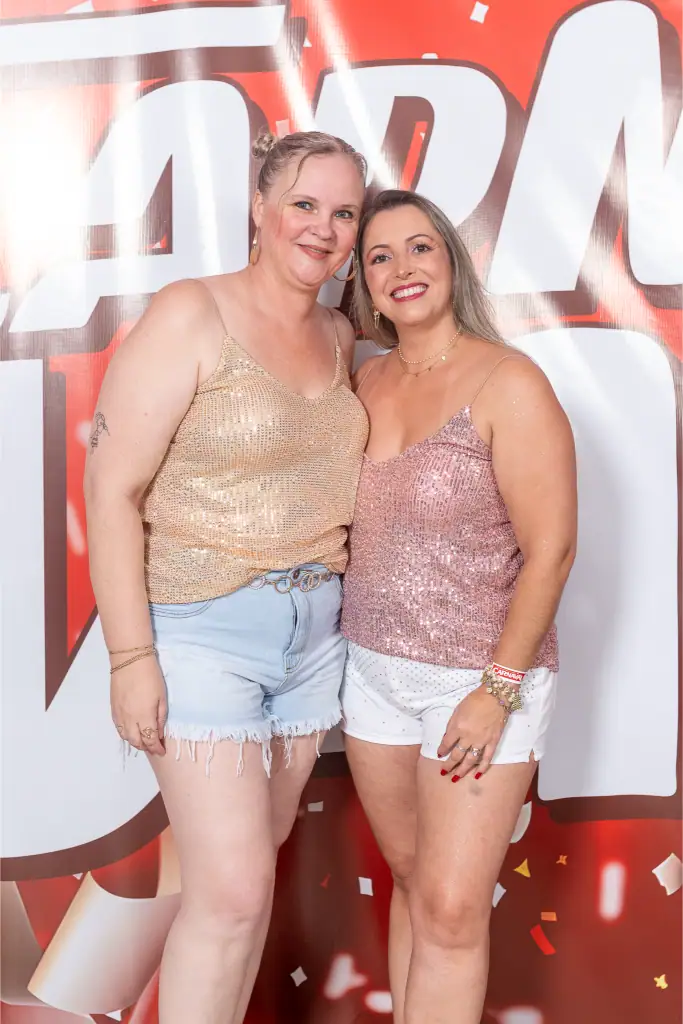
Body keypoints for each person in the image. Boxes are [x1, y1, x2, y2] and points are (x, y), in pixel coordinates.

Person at [84, 130, 368, 1024]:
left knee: (247, 890)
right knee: (233, 895)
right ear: (259, 206)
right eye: (304, 204)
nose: (323, 228)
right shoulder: (191, 313)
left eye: (344, 213)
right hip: (201, 632)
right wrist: (131, 657)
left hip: (314, 642)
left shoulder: (339, 333)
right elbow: (112, 490)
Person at [339, 189, 577, 1024]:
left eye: (419, 247)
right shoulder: (364, 380)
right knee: (411, 882)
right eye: (379, 256)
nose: (401, 268)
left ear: (451, 261)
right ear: (366, 286)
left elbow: (551, 550)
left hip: (478, 682)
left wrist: (496, 690)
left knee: (448, 908)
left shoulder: (508, 381)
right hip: (371, 675)